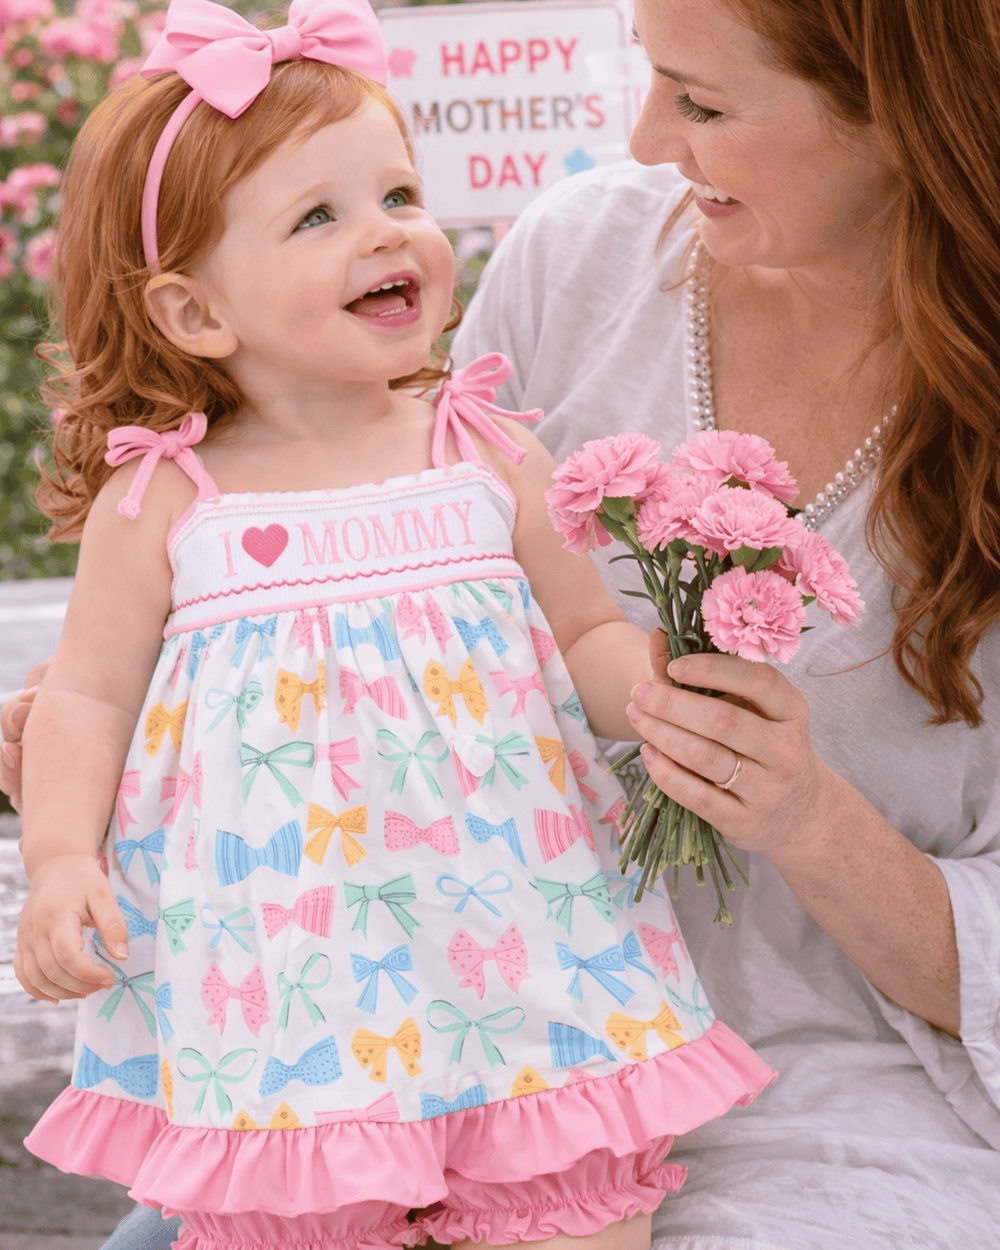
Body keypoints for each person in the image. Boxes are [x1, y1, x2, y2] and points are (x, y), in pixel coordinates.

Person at [10, 1, 776, 1248]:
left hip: (516, 949)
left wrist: (660, 681)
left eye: (400, 192)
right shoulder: (165, 501)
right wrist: (60, 861)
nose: (391, 233)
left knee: (567, 1211)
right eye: (320, 216)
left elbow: (580, 630)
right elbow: (88, 694)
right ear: (198, 313)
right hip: (287, 985)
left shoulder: (483, 446)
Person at [446, 0, 1000, 1246]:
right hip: (495, 1059)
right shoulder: (571, 267)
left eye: (699, 104)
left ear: (903, 119)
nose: (645, 140)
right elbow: (406, 578)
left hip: (859, 1109)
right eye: (652, 81)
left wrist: (808, 819)